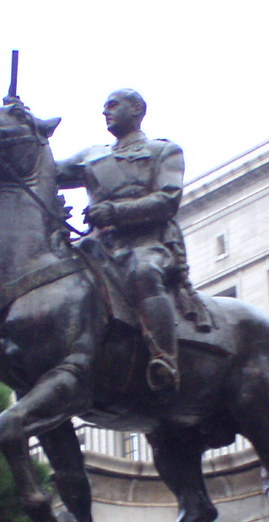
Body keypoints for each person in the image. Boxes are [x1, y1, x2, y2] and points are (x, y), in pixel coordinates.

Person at [56, 89, 187, 392]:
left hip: (147, 242)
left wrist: (115, 212)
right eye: (105, 107)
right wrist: (23, 125)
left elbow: (167, 199)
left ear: (137, 109)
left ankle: (164, 359)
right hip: (97, 247)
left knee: (144, 273)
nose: (106, 112)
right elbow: (47, 171)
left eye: (113, 106)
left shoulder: (162, 151)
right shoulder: (91, 155)